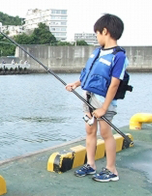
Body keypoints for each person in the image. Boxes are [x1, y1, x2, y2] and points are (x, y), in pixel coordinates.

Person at [65, 14, 128, 183]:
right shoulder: (98, 52)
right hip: (88, 98)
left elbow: (114, 84)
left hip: (103, 101)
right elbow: (90, 74)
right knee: (90, 131)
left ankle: (111, 170)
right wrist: (76, 84)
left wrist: (104, 108)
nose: (96, 37)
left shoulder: (119, 56)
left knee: (106, 133)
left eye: (97, 34)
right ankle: (90, 165)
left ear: (105, 31)